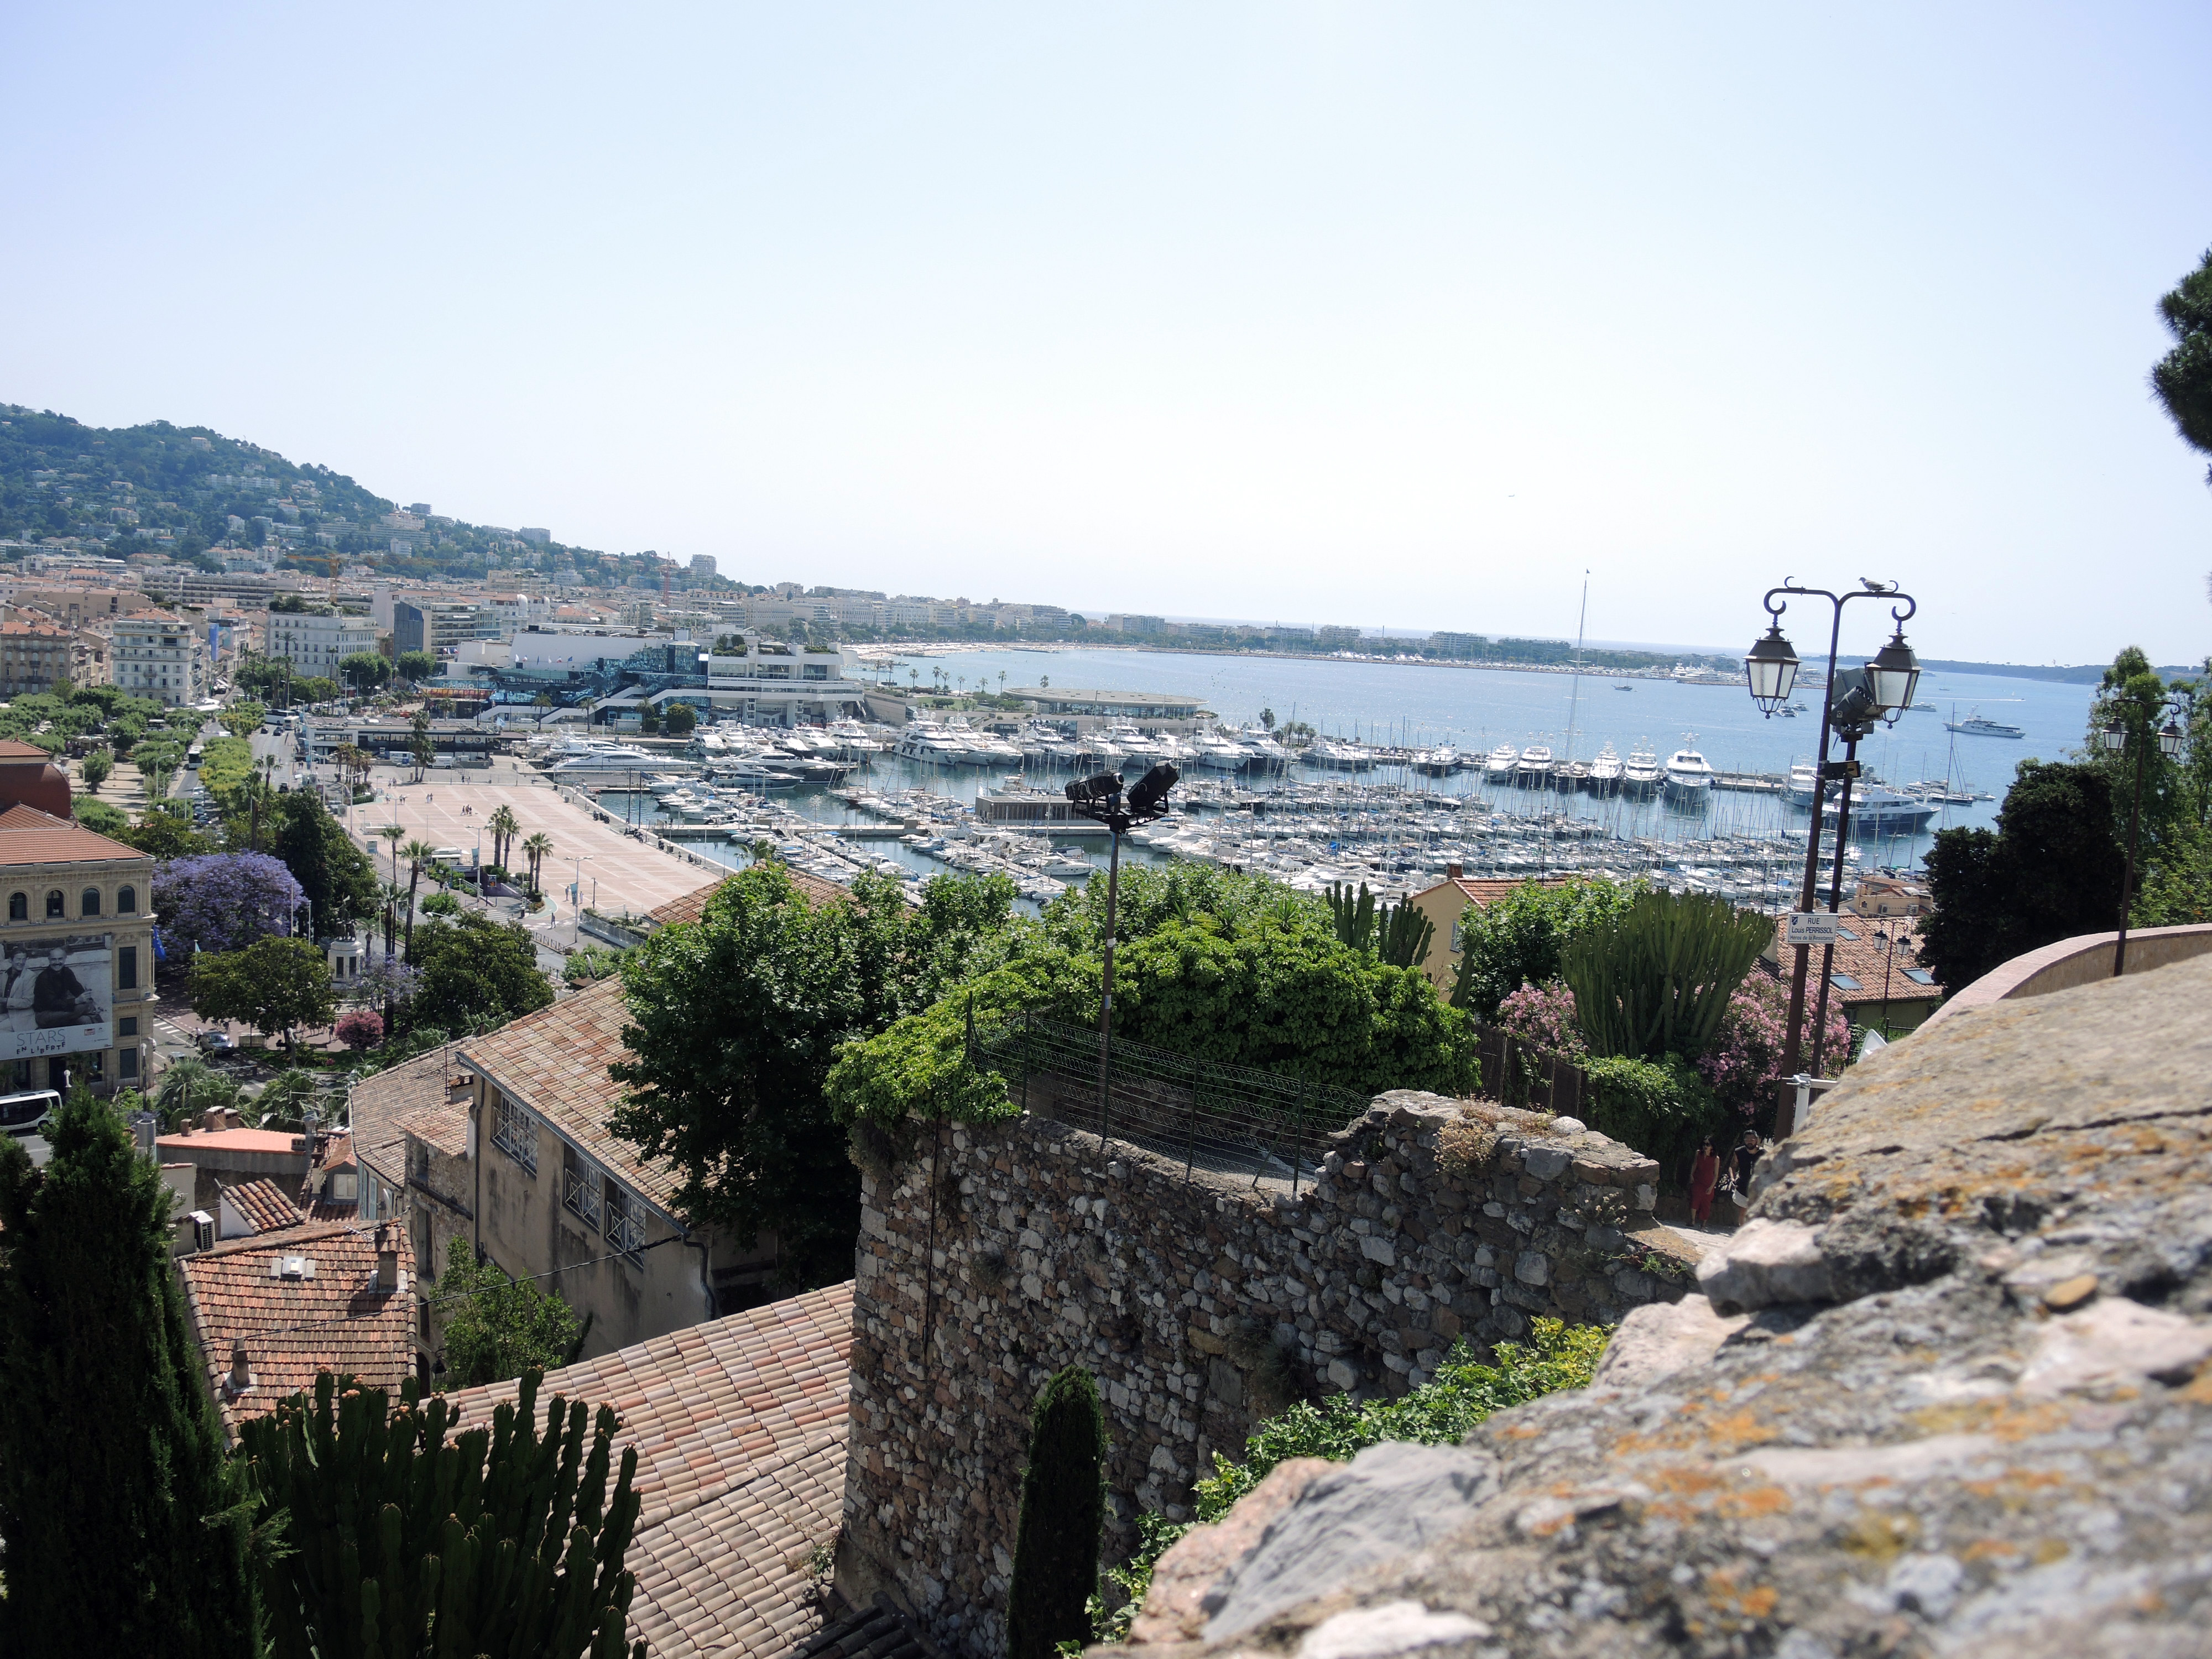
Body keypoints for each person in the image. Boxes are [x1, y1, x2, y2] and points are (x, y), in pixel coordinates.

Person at [1728, 1128, 1765, 1219]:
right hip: (1743, 1185)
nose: (1749, 1142)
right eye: (1747, 1139)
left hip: (1758, 1187)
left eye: (1752, 1139)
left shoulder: (1764, 1154)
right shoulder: (1739, 1152)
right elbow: (1733, 1166)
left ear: (1757, 1140)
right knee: (1743, 1213)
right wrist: (1732, 1178)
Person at [1688, 1136, 1721, 1225]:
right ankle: (1692, 1221)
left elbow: (1716, 1175)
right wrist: (1691, 1174)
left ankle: (1703, 1224)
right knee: (1695, 1199)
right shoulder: (1698, 1153)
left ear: (1712, 1147)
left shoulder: (1716, 1159)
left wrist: (1711, 1187)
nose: (1705, 1146)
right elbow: (1695, 1164)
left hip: (1708, 1183)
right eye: (1704, 1144)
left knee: (1706, 1204)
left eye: (1708, 1144)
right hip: (1698, 1180)